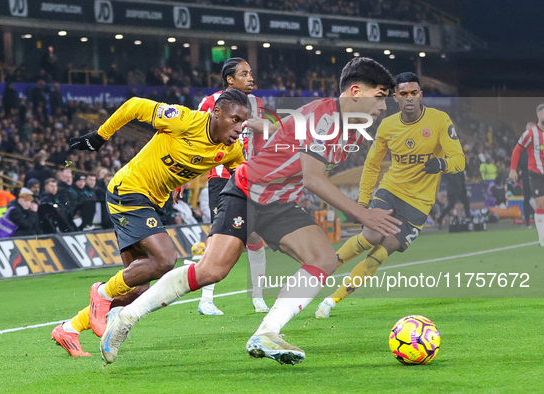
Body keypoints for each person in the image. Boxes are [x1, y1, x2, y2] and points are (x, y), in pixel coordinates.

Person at [99, 57, 401, 365]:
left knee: (323, 257)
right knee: (211, 271)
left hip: (279, 202)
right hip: (247, 192)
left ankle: (267, 333)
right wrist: (364, 215)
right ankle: (125, 318)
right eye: (379, 97)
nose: (383, 107)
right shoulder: (323, 116)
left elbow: (292, 155)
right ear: (355, 91)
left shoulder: (349, 130)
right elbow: (312, 178)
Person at [51, 90, 248, 357]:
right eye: (235, 119)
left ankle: (69, 328)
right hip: (129, 190)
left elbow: (241, 179)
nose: (239, 128)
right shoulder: (184, 120)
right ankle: (102, 292)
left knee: (137, 289)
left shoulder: (231, 151)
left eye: (243, 123)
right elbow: (133, 106)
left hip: (153, 201)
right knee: (165, 260)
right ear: (216, 113)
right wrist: (100, 137)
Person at [314, 72, 465, 319]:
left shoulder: (439, 120)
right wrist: (363, 203)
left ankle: (332, 300)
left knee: (379, 256)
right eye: (403, 94)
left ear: (420, 95)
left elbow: (459, 160)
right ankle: (318, 273)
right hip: (391, 190)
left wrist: (441, 164)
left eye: (413, 93)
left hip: (419, 204)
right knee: (370, 235)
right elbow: (372, 165)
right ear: (395, 97)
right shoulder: (387, 126)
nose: (409, 98)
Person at [196, 57, 269, 315]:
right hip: (220, 177)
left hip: (248, 177)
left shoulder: (257, 104)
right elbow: (193, 138)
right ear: (230, 79)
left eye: (251, 73)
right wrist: (183, 177)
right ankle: (206, 299)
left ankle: (258, 297)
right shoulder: (210, 102)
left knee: (255, 237)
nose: (251, 78)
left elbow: (265, 137)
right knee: (218, 236)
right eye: (244, 73)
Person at [510, 105, 544, 246]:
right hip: (536, 174)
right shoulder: (530, 133)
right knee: (541, 203)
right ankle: (542, 237)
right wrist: (513, 169)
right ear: (538, 116)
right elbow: (517, 150)